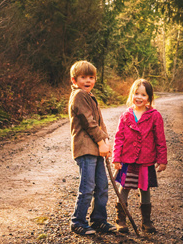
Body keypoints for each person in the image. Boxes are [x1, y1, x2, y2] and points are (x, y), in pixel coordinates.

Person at [111, 78, 167, 233]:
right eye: (136, 93)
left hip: (146, 161)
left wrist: (162, 160)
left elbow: (160, 139)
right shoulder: (125, 116)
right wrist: (116, 158)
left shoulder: (155, 116)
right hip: (127, 160)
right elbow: (119, 138)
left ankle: (146, 221)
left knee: (145, 189)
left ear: (149, 97)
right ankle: (121, 220)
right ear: (131, 94)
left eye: (143, 94)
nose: (139, 97)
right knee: (124, 188)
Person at [68, 60, 117, 235]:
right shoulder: (79, 96)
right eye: (83, 77)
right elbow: (89, 122)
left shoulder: (90, 97)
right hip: (85, 149)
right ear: (74, 80)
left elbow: (99, 123)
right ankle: (78, 221)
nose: (88, 80)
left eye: (91, 77)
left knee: (102, 186)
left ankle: (98, 220)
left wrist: (105, 142)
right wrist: (100, 142)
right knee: (87, 187)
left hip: (96, 148)